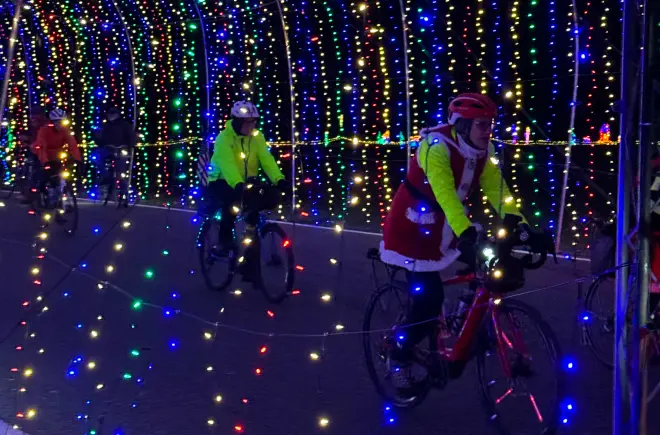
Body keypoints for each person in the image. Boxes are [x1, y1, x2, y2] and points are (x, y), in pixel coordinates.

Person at [380, 93, 525, 392]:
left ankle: (462, 323)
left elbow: (498, 188)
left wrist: (519, 221)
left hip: (449, 224)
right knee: (428, 301)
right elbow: (445, 193)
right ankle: (399, 355)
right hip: (413, 229)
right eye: (481, 125)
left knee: (489, 267)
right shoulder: (436, 148)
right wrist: (466, 233)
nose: (488, 131)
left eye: (490, 125)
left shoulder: (482, 150)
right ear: (461, 125)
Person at [205, 101, 287, 253]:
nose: (251, 126)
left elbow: (266, 159)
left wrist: (278, 179)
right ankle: (224, 242)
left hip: (245, 181)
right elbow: (227, 164)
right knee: (231, 203)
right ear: (237, 121)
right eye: (247, 122)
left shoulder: (257, 137)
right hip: (221, 180)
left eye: (254, 122)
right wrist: (237, 184)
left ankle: (250, 241)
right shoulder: (224, 138)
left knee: (269, 196)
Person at [31, 109, 82, 201]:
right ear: (53, 122)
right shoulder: (44, 130)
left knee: (58, 173)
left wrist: (77, 159)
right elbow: (42, 146)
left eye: (62, 122)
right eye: (58, 122)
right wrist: (45, 162)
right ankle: (38, 194)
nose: (60, 125)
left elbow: (72, 144)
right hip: (42, 153)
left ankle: (59, 196)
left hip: (56, 154)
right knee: (42, 174)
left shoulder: (65, 130)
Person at [93, 107, 136, 205]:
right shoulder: (106, 125)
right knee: (97, 158)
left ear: (117, 115)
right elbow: (100, 138)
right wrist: (98, 140)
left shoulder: (124, 125)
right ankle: (106, 176)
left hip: (121, 149)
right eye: (109, 114)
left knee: (121, 170)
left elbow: (131, 137)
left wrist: (130, 146)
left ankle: (123, 189)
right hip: (109, 149)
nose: (110, 116)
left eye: (113, 114)